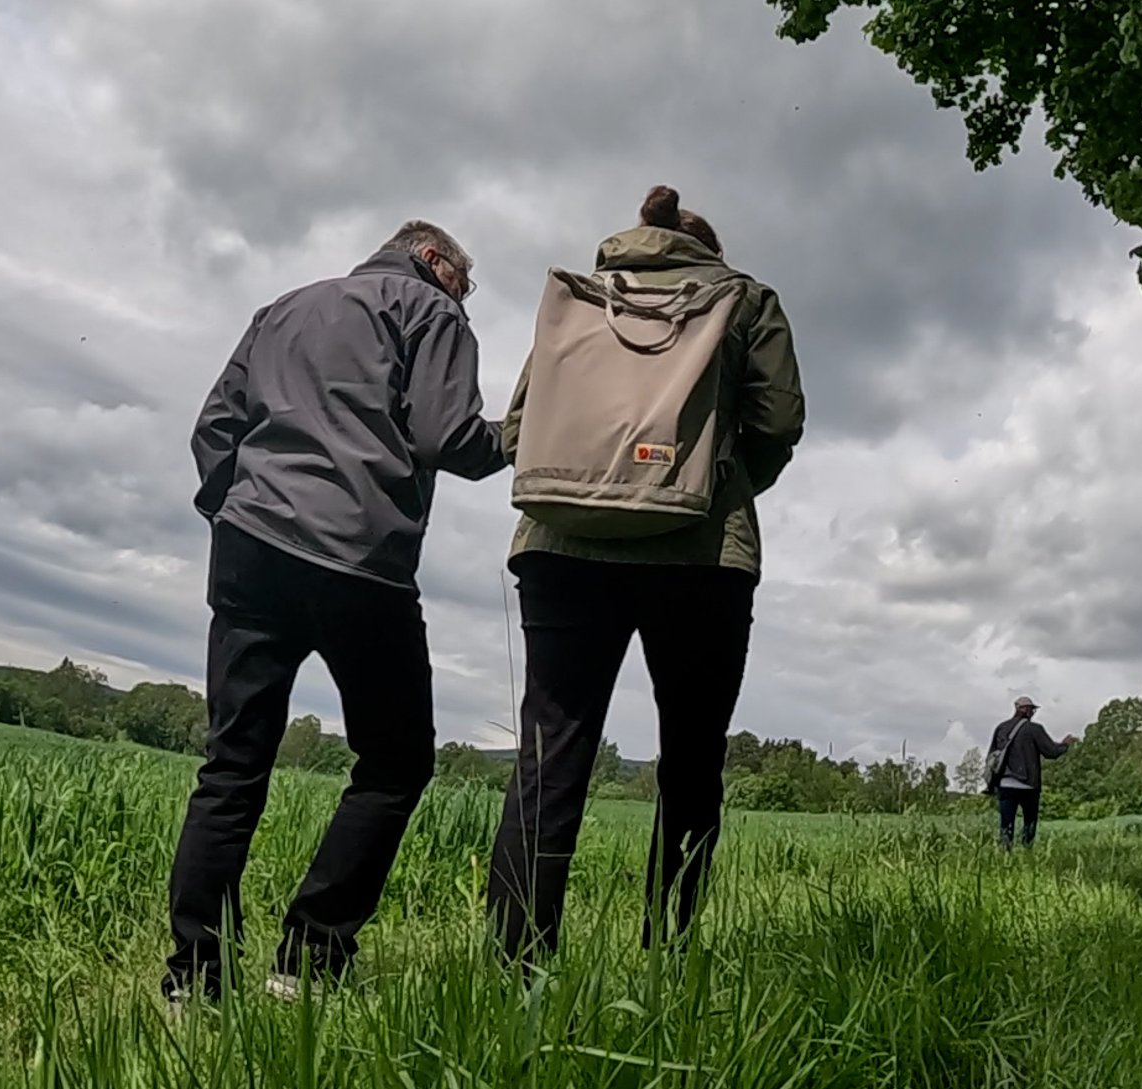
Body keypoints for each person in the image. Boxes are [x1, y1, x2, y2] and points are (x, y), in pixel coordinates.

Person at [166, 221, 507, 1003]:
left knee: (231, 765)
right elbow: (447, 433)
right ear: (433, 261)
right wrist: (519, 437)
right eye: (467, 283)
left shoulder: (286, 305)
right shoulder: (431, 312)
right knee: (395, 763)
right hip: (360, 561)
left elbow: (214, 428)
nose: (466, 298)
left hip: (250, 547)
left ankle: (194, 978)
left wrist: (237, 510)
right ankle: (310, 960)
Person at [485, 186, 806, 961]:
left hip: (562, 544)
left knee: (550, 751)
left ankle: (515, 965)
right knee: (692, 762)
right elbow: (778, 421)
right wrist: (703, 486)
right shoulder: (745, 298)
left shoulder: (587, 299)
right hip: (701, 553)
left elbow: (521, 431)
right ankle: (667, 957)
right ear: (708, 251)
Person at [988, 696, 1076, 848]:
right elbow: (1051, 752)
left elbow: (992, 755)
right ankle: (1027, 855)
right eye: (1032, 709)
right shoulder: (1035, 729)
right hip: (1028, 785)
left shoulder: (1001, 728)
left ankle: (1004, 858)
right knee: (1029, 823)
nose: (1033, 712)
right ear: (1027, 711)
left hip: (1005, 784)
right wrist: (1064, 745)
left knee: (1006, 826)